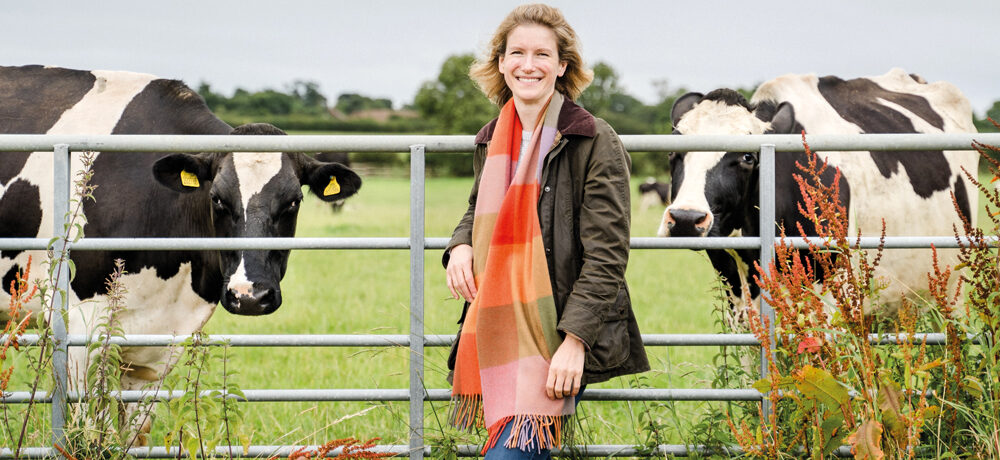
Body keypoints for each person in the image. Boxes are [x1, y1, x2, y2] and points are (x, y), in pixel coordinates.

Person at [442, 4, 649, 458]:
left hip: (555, 328)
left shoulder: (594, 140)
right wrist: (459, 245)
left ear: (562, 65)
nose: (528, 65)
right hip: (498, 323)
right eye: (517, 52)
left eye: (542, 54)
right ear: (501, 63)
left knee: (509, 452)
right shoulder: (493, 138)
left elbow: (607, 256)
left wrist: (574, 342)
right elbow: (478, 208)